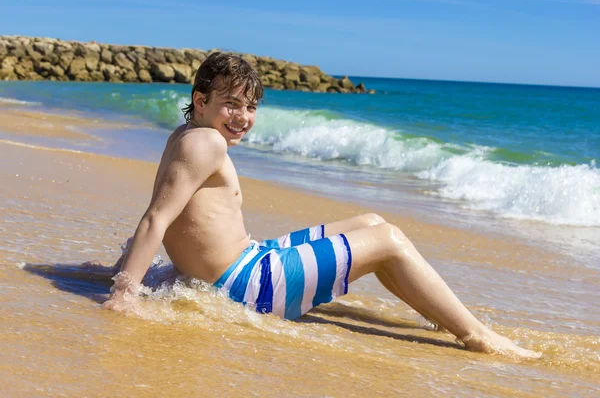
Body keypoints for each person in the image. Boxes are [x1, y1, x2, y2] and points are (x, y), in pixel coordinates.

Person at [104, 52, 540, 358]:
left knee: (371, 221)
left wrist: (120, 269)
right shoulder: (207, 143)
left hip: (253, 259)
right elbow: (156, 218)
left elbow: (165, 210)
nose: (243, 117)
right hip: (247, 287)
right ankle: (477, 334)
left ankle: (441, 315)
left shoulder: (187, 136)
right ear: (201, 101)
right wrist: (125, 293)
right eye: (231, 104)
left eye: (250, 107)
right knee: (388, 240)